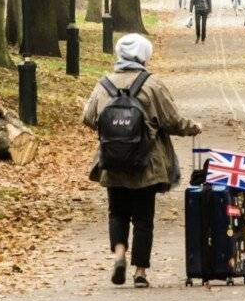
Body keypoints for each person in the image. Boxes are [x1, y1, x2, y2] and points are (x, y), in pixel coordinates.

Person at [82, 34, 202, 288]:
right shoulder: (151, 84)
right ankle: (140, 272)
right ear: (143, 55)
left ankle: (118, 255)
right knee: (143, 218)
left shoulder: (103, 85)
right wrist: (193, 128)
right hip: (146, 163)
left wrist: (113, 132)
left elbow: (89, 117)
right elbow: (172, 121)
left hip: (112, 161)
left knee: (117, 213)